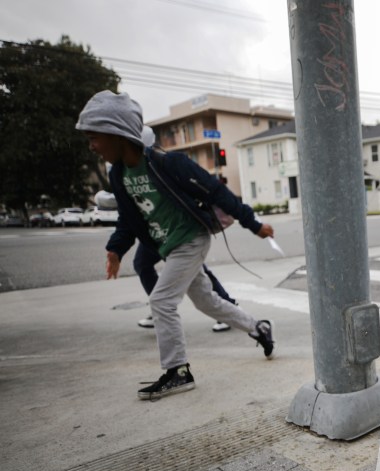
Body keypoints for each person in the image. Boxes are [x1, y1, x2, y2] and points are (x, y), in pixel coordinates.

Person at [76, 90, 276, 401]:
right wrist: (116, 249)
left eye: (95, 137)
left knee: (161, 301)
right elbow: (129, 219)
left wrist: (254, 224)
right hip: (169, 246)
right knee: (207, 302)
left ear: (117, 133)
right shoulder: (119, 175)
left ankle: (178, 371)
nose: (92, 145)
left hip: (191, 239)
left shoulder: (167, 163)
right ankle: (259, 328)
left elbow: (217, 193)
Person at [134, 126, 235, 332]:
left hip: (176, 230)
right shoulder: (129, 169)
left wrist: (250, 220)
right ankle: (159, 308)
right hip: (153, 231)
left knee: (197, 273)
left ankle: (228, 304)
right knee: (142, 263)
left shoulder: (161, 164)